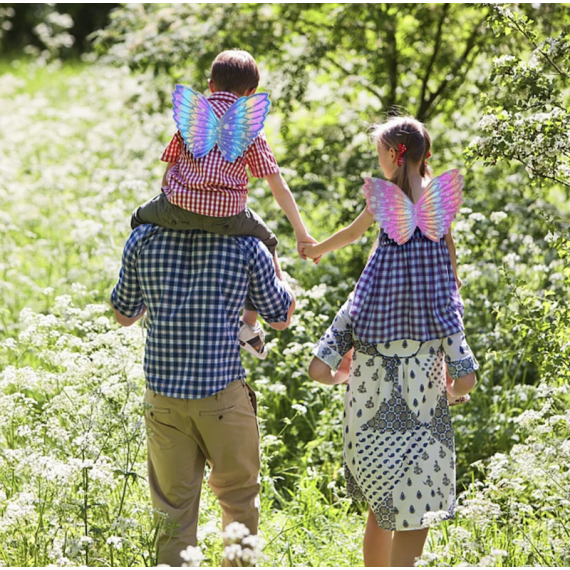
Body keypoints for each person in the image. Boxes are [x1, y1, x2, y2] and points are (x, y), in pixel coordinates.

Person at [305, 116, 479, 567]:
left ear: (393, 155)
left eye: (380, 152)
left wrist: (318, 247)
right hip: (424, 376)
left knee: (379, 506)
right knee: (418, 504)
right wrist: (452, 285)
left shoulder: (386, 205)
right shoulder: (435, 205)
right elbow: (448, 246)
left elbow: (353, 233)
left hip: (373, 387)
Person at [110, 223, 295, 567]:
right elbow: (281, 316)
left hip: (163, 398)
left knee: (172, 516)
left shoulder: (144, 237)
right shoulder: (245, 243)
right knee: (239, 503)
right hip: (222, 395)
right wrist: (271, 254)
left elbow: (123, 314)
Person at [131, 49, 315, 359]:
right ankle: (250, 324)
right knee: (266, 243)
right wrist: (301, 232)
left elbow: (168, 172)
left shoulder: (191, 118)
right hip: (228, 217)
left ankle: (143, 295)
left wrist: (167, 206)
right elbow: (277, 185)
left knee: (138, 222)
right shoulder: (249, 127)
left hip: (178, 208)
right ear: (251, 93)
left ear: (210, 85)